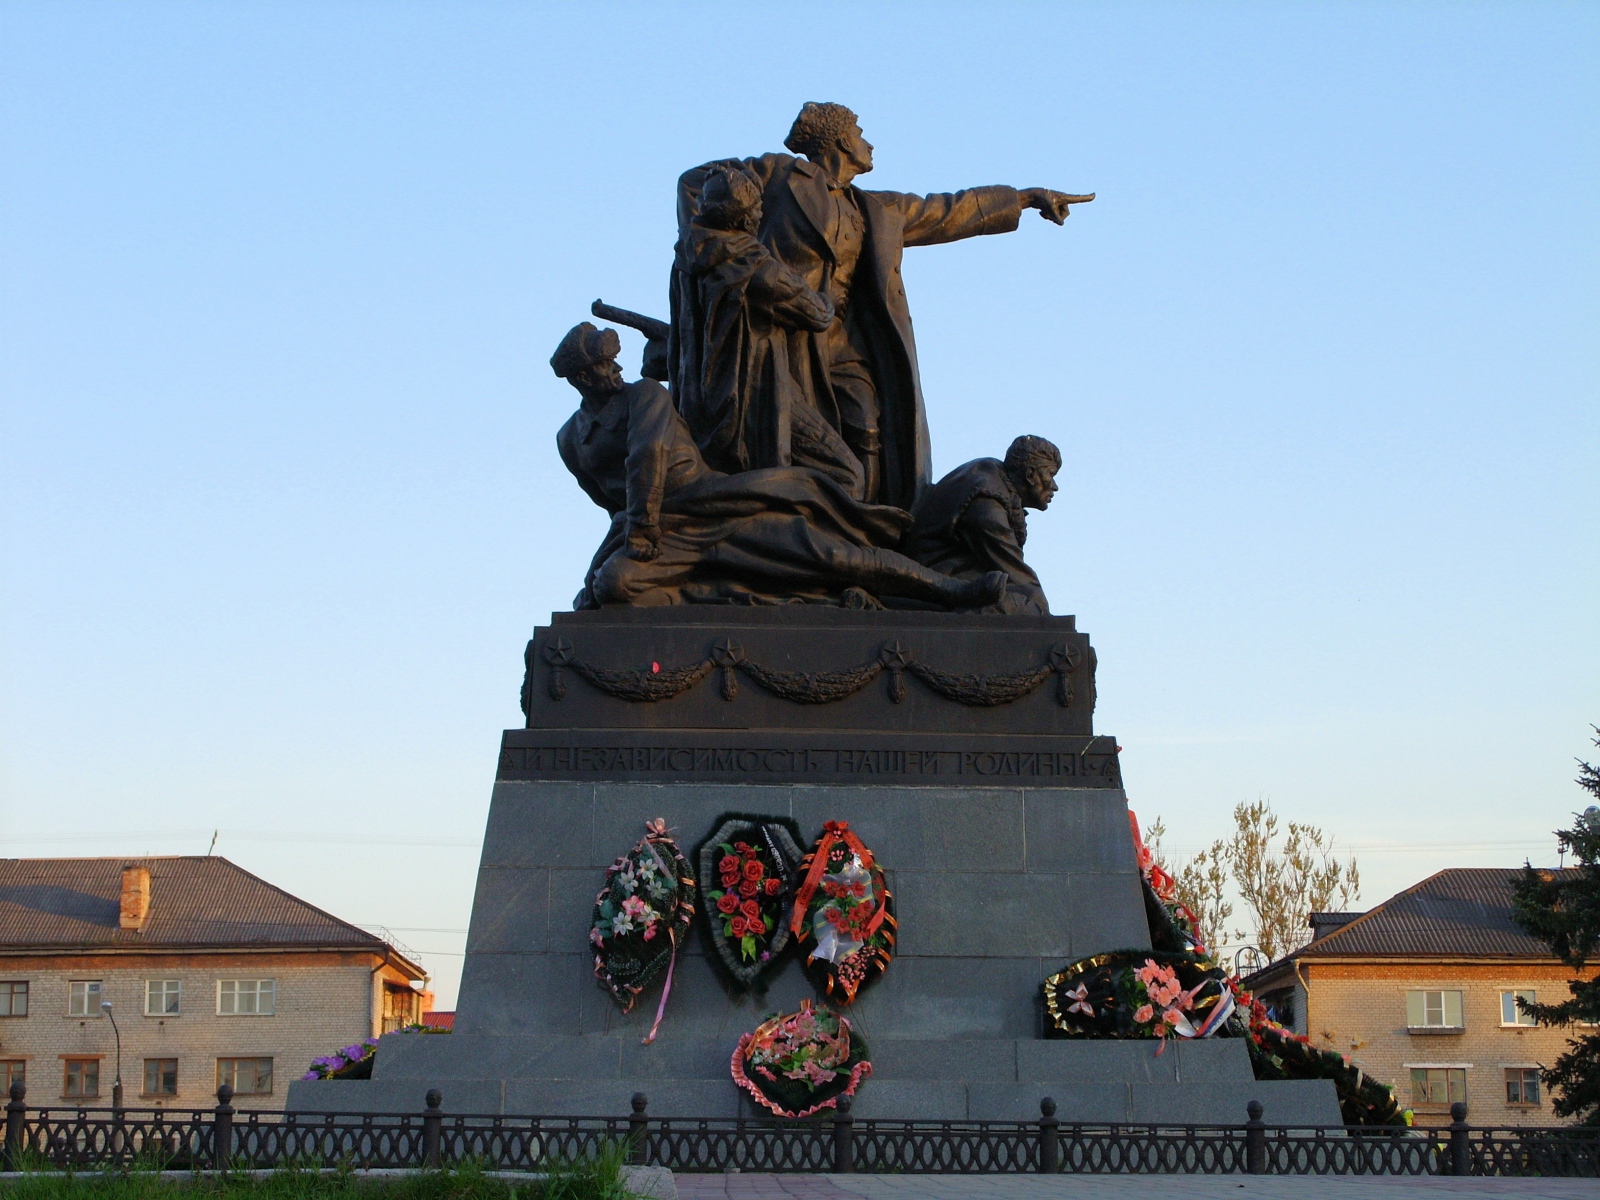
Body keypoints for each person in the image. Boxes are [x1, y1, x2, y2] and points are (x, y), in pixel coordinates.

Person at [671, 102, 1092, 508]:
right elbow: (694, 182)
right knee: (783, 438)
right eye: (859, 133)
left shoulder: (876, 209)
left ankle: (860, 530)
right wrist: (720, 247)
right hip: (785, 332)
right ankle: (793, 527)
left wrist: (1023, 197)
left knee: (869, 427)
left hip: (847, 341)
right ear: (837, 140)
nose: (867, 142)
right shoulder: (778, 173)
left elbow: (946, 210)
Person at [551, 322, 1005, 610]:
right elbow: (608, 499)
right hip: (662, 532)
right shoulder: (570, 438)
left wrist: (640, 533)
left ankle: (950, 591)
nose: (614, 369)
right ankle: (738, 596)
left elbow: (647, 461)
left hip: (711, 505)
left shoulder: (644, 395)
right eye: (602, 364)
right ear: (581, 377)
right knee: (612, 586)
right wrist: (626, 544)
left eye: (612, 360)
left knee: (827, 554)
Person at [678, 167, 865, 498]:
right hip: (757, 394)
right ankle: (794, 537)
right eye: (758, 208)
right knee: (846, 474)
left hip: (702, 405)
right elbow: (817, 314)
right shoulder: (752, 266)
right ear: (746, 216)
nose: (762, 213)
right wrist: (829, 297)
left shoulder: (685, 262)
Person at [904, 435, 1062, 616]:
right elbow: (1013, 569)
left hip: (950, 574)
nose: (1055, 486)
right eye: (1051, 474)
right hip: (938, 581)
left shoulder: (993, 477)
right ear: (1031, 475)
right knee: (1027, 609)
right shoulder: (987, 502)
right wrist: (1043, 611)